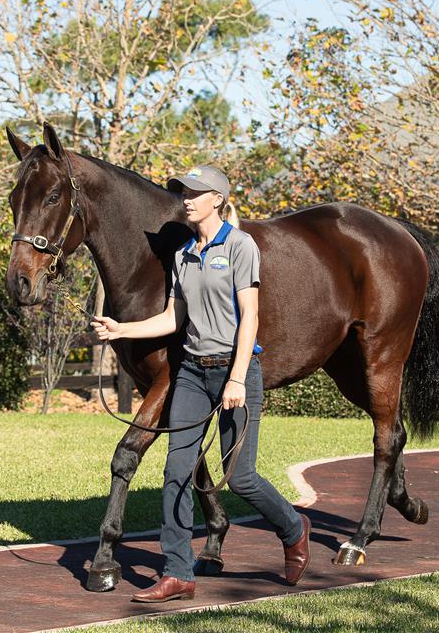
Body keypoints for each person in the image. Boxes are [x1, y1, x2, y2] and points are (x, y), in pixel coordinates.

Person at [91, 165, 311, 603]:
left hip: (235, 372)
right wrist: (120, 329)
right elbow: (173, 319)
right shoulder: (184, 254)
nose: (186, 200)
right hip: (192, 373)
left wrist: (236, 378)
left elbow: (251, 317)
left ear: (218, 199)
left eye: (195, 193)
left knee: (241, 478)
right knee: (176, 471)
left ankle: (293, 528)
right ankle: (178, 573)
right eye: (183, 193)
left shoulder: (240, 246)